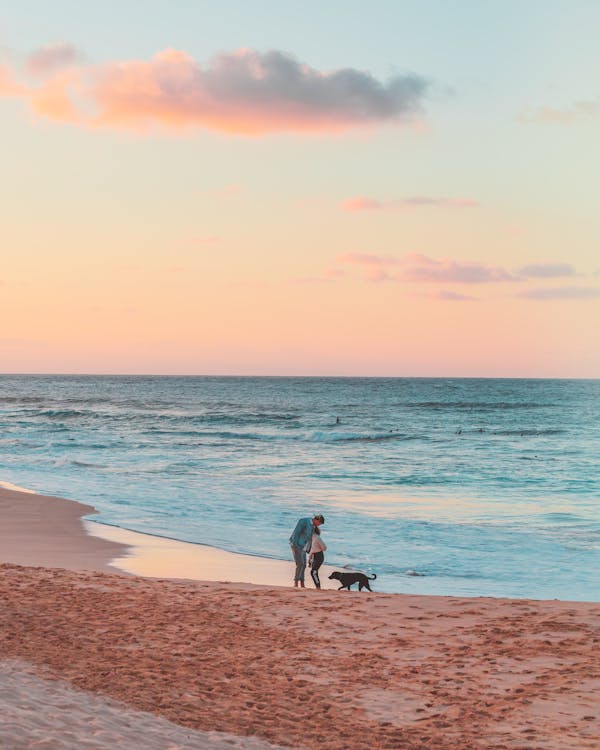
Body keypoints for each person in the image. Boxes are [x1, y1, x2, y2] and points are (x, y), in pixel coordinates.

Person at [289, 514, 325, 588]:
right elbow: (296, 533)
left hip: (303, 547)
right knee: (300, 564)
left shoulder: (313, 526)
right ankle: (296, 583)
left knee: (304, 565)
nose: (319, 525)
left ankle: (302, 583)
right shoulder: (303, 521)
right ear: (316, 519)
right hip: (296, 544)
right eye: (319, 523)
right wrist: (294, 545)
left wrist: (309, 550)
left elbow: (309, 538)